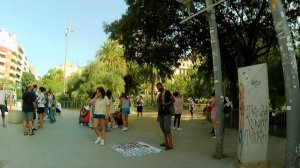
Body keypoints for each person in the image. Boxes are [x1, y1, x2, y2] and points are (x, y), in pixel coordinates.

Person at [156, 82, 174, 150]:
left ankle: (171, 144)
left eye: (158, 87)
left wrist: (166, 104)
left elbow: (173, 100)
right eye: (157, 87)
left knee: (167, 128)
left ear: (161, 86)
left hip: (167, 113)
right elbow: (159, 105)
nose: (157, 89)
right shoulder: (160, 94)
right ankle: (166, 142)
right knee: (163, 129)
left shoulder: (167, 92)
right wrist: (158, 115)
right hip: (161, 114)